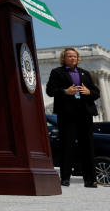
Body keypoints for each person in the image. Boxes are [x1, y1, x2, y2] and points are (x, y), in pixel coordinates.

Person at [46, 48, 101, 188]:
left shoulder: (85, 73)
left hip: (85, 114)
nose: (73, 58)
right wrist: (65, 91)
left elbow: (96, 92)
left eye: (75, 56)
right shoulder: (57, 72)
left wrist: (89, 92)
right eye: (69, 56)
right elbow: (50, 91)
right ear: (64, 58)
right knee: (67, 147)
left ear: (78, 58)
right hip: (67, 115)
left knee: (87, 147)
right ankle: (65, 179)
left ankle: (90, 180)